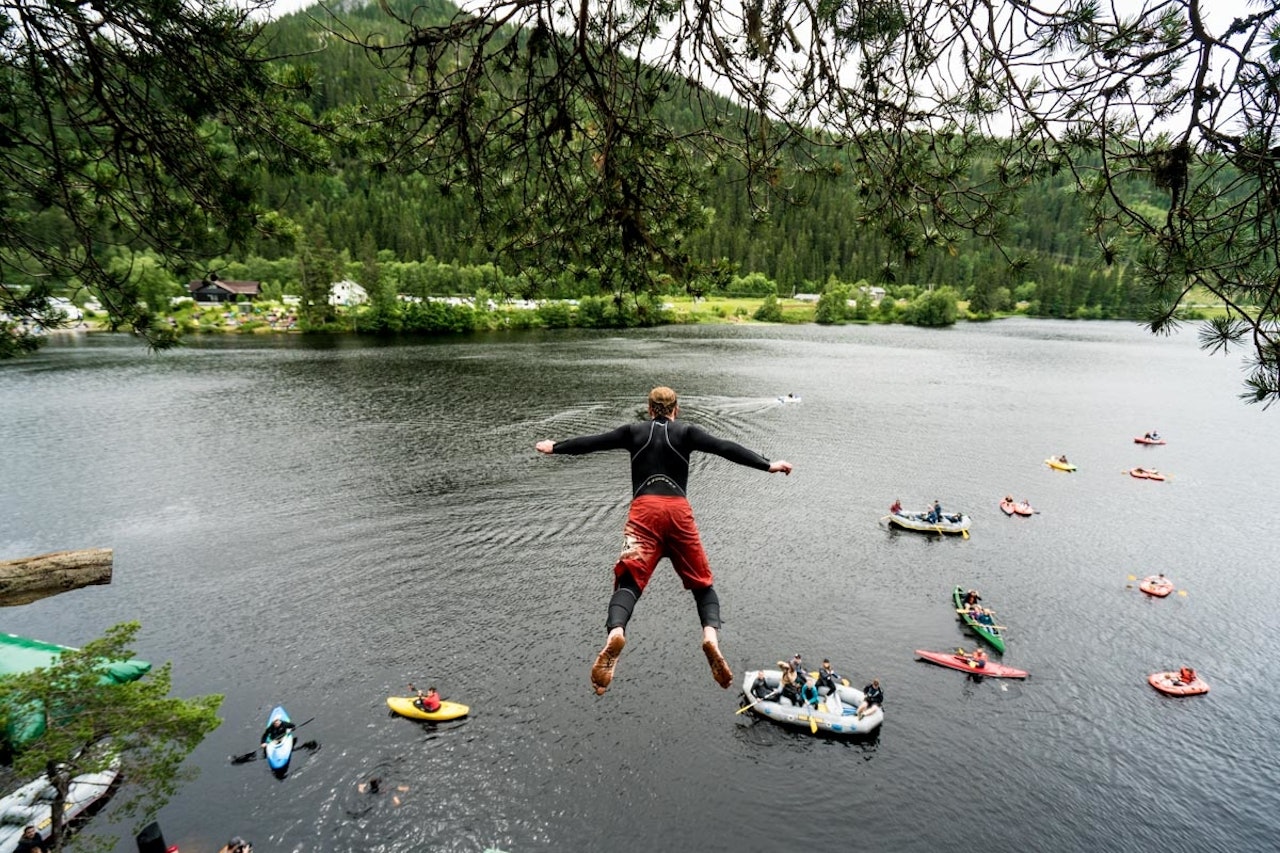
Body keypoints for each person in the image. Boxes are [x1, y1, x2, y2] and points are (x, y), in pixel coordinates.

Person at [536, 386, 793, 695]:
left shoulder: (633, 432)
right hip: (678, 513)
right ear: (677, 409)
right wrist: (769, 465)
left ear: (649, 408)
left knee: (629, 582)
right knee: (702, 586)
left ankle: (615, 634)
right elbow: (725, 447)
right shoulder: (687, 432)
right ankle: (710, 638)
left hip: (644, 514)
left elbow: (592, 443)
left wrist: (555, 447)